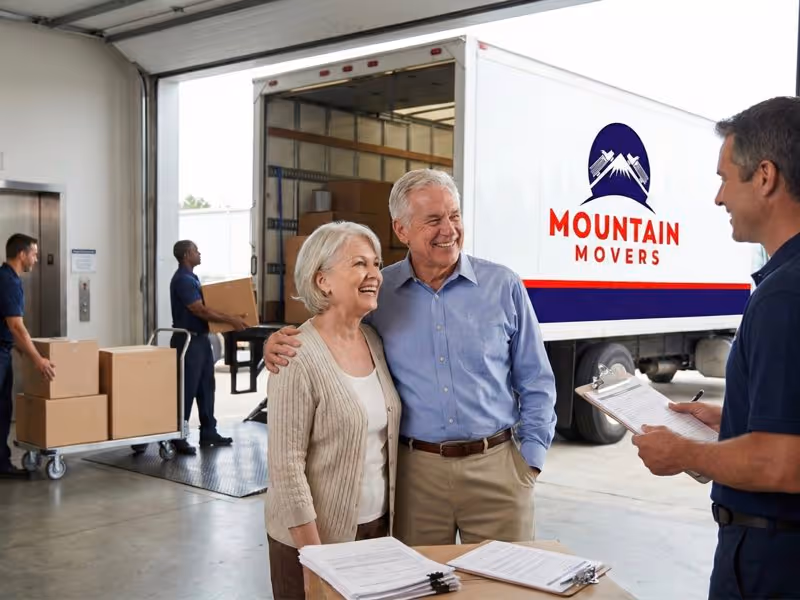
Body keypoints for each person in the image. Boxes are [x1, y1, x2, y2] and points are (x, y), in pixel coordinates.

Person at [266, 169, 556, 546]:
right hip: (414, 476)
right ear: (401, 230)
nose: (448, 229)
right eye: (433, 220)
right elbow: (331, 327)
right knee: (418, 585)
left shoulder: (503, 285)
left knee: (504, 586)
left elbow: (536, 379)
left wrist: (529, 461)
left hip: (498, 468)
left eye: (454, 216)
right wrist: (276, 343)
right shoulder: (378, 293)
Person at [632, 97, 800, 598]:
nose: (718, 197)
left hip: (772, 564)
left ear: (765, 177)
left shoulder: (785, 295)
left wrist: (681, 452)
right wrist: (733, 421)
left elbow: (781, 462)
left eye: (726, 178)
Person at [264, 222, 402, 600]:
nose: (374, 274)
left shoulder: (372, 340)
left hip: (375, 531)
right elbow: (286, 467)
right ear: (322, 280)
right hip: (312, 542)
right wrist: (314, 560)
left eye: (375, 264)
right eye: (359, 264)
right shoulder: (295, 353)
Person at [170, 240, 248, 455]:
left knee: (207, 387)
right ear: (187, 254)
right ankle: (179, 435)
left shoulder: (192, 278)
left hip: (201, 340)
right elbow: (200, 310)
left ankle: (208, 432)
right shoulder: (183, 280)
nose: (199, 253)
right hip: (188, 342)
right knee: (187, 389)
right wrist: (231, 319)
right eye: (196, 250)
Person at [0, 234, 56, 479]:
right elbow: (16, 326)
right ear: (22, 254)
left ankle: (1, 462)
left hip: (5, 349)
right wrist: (38, 359)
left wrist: (23, 350)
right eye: (34, 253)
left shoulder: (8, 278)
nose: (36, 257)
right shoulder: (8, 281)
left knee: (3, 407)